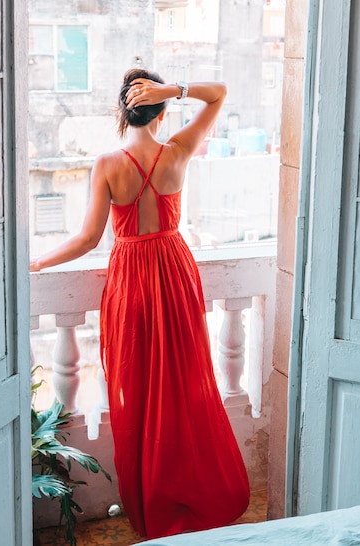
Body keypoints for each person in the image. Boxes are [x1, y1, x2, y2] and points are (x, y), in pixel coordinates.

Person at [30, 68, 250, 539]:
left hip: (132, 277)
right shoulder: (177, 151)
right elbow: (219, 93)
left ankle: (155, 499)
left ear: (121, 110)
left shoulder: (108, 163)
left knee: (141, 392)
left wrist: (37, 263)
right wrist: (176, 90)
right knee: (184, 384)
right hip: (174, 270)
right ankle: (194, 492)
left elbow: (89, 239)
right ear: (162, 108)